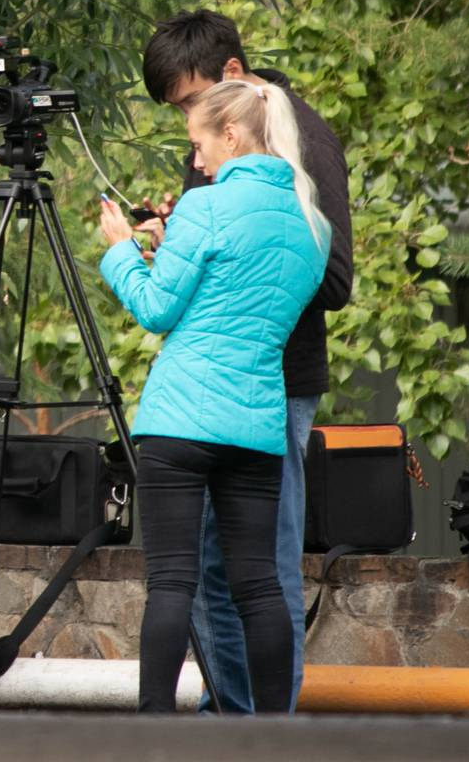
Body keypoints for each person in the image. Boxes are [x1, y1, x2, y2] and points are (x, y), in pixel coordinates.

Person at [136, 10, 354, 711]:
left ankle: (260, 727)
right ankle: (228, 715)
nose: (188, 131)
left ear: (231, 79)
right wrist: (184, 241)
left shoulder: (305, 141)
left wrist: (236, 264)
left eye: (189, 104)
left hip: (275, 385)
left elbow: (336, 279)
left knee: (261, 575)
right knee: (203, 573)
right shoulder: (219, 141)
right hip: (212, 390)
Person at [98, 76, 331, 714]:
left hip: (180, 421)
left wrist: (123, 251)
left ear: (230, 134)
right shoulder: (313, 225)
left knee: (172, 581)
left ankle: (153, 732)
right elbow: (245, 301)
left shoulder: (204, 207)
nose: (195, 160)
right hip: (256, 422)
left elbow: (156, 308)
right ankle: (271, 734)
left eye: (198, 143)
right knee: (259, 586)